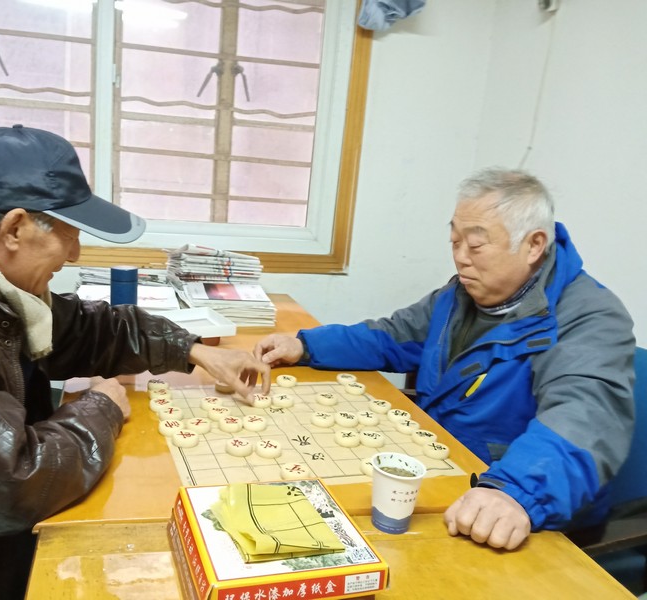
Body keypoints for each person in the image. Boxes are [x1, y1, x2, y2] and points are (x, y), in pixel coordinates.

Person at [0, 125, 270, 599]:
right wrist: (101, 408)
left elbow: (83, 328)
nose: (74, 253)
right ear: (15, 228)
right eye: (69, 234)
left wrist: (193, 349)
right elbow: (10, 484)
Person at [254, 168, 635, 551]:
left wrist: (515, 492)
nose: (460, 259)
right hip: (442, 467)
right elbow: (392, 335)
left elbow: (583, 417)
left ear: (534, 245)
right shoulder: (459, 296)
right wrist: (306, 345)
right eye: (455, 242)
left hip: (520, 507)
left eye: (476, 245)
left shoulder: (591, 317)